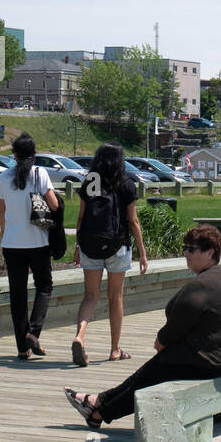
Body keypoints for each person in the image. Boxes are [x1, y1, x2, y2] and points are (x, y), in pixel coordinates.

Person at [65, 224, 221, 428]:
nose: (186, 253)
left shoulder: (202, 284)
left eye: (192, 249)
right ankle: (98, 402)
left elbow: (170, 334)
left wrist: (161, 343)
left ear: (210, 252)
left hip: (211, 361)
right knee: (154, 368)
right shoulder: (219, 277)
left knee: (155, 371)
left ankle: (99, 412)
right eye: (185, 248)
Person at [70, 144, 148, 366]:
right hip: (117, 245)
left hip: (89, 245)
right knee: (116, 297)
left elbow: (81, 218)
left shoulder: (90, 182)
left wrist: (77, 246)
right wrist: (142, 254)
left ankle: (80, 336)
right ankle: (114, 349)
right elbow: (133, 221)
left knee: (90, 296)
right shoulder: (125, 183)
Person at [0, 132, 61, 360]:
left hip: (12, 245)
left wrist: (6, 237)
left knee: (18, 295)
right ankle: (33, 333)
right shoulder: (39, 173)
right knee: (44, 287)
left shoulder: (4, 177)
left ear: (14, 155)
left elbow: (1, 214)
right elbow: (53, 205)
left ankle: (22, 348)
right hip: (37, 243)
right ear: (33, 154)